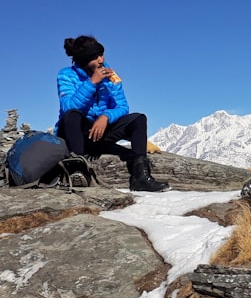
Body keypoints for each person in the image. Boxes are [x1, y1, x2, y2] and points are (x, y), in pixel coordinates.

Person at [56, 35, 169, 192]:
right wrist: (92, 83)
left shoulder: (110, 75)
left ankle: (141, 177)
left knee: (138, 119)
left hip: (100, 132)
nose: (101, 60)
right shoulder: (66, 75)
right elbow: (68, 107)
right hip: (78, 133)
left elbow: (123, 106)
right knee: (72, 115)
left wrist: (106, 116)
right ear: (83, 59)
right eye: (95, 57)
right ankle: (78, 171)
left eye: (101, 55)